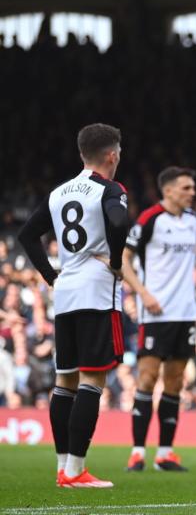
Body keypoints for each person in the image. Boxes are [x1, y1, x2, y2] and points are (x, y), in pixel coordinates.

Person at [18, 123, 129, 488]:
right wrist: (115, 259)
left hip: (65, 293)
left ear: (83, 154)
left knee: (65, 380)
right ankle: (78, 469)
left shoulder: (58, 193)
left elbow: (27, 235)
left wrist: (52, 277)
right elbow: (118, 218)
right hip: (97, 293)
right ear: (111, 155)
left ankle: (63, 467)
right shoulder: (110, 189)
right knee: (93, 378)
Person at [122, 166, 196, 473]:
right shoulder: (149, 220)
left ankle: (165, 453)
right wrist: (143, 294)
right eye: (186, 188)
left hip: (186, 313)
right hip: (155, 314)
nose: (192, 192)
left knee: (176, 382)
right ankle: (137, 452)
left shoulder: (193, 221)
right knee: (147, 378)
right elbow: (123, 260)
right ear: (168, 191)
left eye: (192, 187)